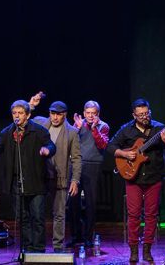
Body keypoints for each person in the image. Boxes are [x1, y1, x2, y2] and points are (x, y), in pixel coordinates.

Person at [107, 98, 165, 262]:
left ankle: (147, 250)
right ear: (134, 115)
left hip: (154, 178)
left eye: (147, 113)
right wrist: (124, 154)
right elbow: (110, 146)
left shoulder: (159, 128)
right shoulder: (126, 130)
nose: (145, 117)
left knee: (151, 216)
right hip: (133, 179)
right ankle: (133, 251)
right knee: (134, 215)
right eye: (141, 115)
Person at [0, 99, 56, 253]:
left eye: (20, 113)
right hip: (16, 183)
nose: (16, 116)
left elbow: (52, 146)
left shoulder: (39, 131)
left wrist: (46, 150)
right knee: (22, 218)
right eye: (14, 113)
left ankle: (38, 248)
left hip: (36, 181)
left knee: (37, 217)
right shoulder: (7, 132)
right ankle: (27, 247)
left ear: (28, 115)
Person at [28, 94, 81, 253]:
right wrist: (31, 105)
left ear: (64, 114)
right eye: (52, 113)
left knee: (59, 214)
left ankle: (58, 246)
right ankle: (37, 246)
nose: (55, 117)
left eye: (58, 114)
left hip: (60, 178)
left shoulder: (71, 132)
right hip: (40, 176)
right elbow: (22, 121)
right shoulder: (40, 123)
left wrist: (75, 180)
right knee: (37, 213)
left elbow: (77, 158)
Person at [70, 100, 110, 250]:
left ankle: (88, 237)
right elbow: (71, 142)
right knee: (72, 202)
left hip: (93, 166)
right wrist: (76, 128)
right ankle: (76, 236)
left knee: (90, 203)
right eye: (88, 113)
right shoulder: (79, 124)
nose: (90, 116)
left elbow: (103, 145)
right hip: (77, 165)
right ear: (84, 112)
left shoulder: (103, 126)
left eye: (94, 113)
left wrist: (93, 129)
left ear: (98, 114)